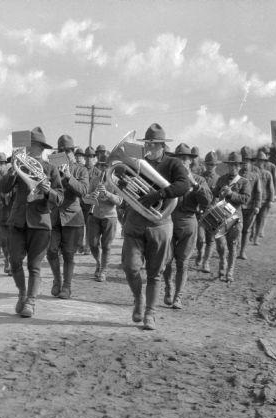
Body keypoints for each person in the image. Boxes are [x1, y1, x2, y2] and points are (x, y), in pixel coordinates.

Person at [121, 124, 190, 330]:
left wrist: (159, 194)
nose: (149, 147)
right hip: (135, 222)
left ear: (162, 145)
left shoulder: (173, 164)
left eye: (153, 144)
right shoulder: (137, 162)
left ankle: (150, 313)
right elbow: (120, 179)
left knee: (154, 273)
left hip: (159, 224)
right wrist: (124, 183)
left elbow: (184, 185)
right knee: (130, 267)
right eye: (147, 143)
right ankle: (138, 299)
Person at [0, 127, 63, 317]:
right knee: (15, 261)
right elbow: (3, 188)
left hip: (40, 223)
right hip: (18, 221)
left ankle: (31, 302)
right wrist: (12, 169)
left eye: (32, 146)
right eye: (26, 146)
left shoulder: (51, 169)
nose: (27, 149)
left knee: (34, 266)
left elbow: (59, 197)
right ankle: (22, 293)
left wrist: (48, 191)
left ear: (40, 148)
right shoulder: (19, 165)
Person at [162, 144, 212, 309]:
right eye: (179, 159)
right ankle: (169, 287)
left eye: (185, 159)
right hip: (169, 219)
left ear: (191, 161)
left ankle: (178, 296)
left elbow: (207, 201)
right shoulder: (168, 179)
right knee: (167, 260)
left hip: (188, 221)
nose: (182, 162)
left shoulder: (199, 179)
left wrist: (194, 184)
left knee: (183, 262)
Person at [47, 135, 89, 299]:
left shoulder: (80, 170)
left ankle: (67, 287)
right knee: (51, 251)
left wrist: (69, 177)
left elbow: (84, 191)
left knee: (69, 254)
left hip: (72, 216)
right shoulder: (51, 168)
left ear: (72, 152)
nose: (65, 153)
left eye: (68, 150)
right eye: (61, 151)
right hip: (54, 215)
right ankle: (57, 280)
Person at [83, 151, 122, 282]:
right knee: (93, 244)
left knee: (107, 246)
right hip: (95, 215)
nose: (104, 168)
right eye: (101, 166)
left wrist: (108, 194)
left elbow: (119, 201)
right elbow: (86, 198)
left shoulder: (116, 181)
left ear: (111, 166)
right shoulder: (94, 180)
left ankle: (103, 270)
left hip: (110, 217)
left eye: (106, 166)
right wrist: (91, 197)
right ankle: (99, 263)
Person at [212, 152, 251, 282]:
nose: (233, 167)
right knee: (221, 244)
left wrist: (231, 194)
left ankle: (229, 271)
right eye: (231, 165)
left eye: (235, 165)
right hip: (221, 215)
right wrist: (219, 191)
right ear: (228, 166)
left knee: (233, 245)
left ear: (239, 166)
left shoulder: (244, 182)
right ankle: (222, 260)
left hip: (235, 217)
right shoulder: (222, 179)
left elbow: (245, 199)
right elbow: (215, 193)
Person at [195, 151, 221, 272]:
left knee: (210, 240)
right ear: (205, 164)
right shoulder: (200, 177)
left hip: (213, 212)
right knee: (201, 239)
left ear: (216, 165)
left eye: (213, 165)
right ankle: (200, 253)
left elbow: (222, 197)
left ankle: (206, 262)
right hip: (200, 211)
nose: (210, 167)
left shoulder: (219, 179)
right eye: (209, 164)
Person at [238, 146, 262, 260]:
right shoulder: (236, 175)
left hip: (250, 207)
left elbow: (258, 192)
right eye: (243, 161)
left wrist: (257, 206)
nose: (245, 163)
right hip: (237, 207)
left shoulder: (255, 176)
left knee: (246, 230)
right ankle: (235, 248)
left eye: (247, 161)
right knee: (236, 229)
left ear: (251, 162)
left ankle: (242, 251)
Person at [250, 149, 276, 243]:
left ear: (264, 162)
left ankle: (256, 238)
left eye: (262, 160)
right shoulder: (252, 173)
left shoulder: (267, 174)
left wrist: (271, 200)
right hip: (253, 200)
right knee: (251, 220)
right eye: (258, 160)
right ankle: (252, 234)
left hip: (264, 200)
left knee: (260, 220)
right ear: (256, 160)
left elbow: (271, 188)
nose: (260, 162)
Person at [0, 155, 15, 276]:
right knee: (3, 241)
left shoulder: (24, 176)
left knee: (13, 242)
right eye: (13, 161)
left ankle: (12, 263)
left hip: (17, 216)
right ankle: (7, 259)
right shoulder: (7, 176)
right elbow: (1, 190)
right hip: (5, 215)